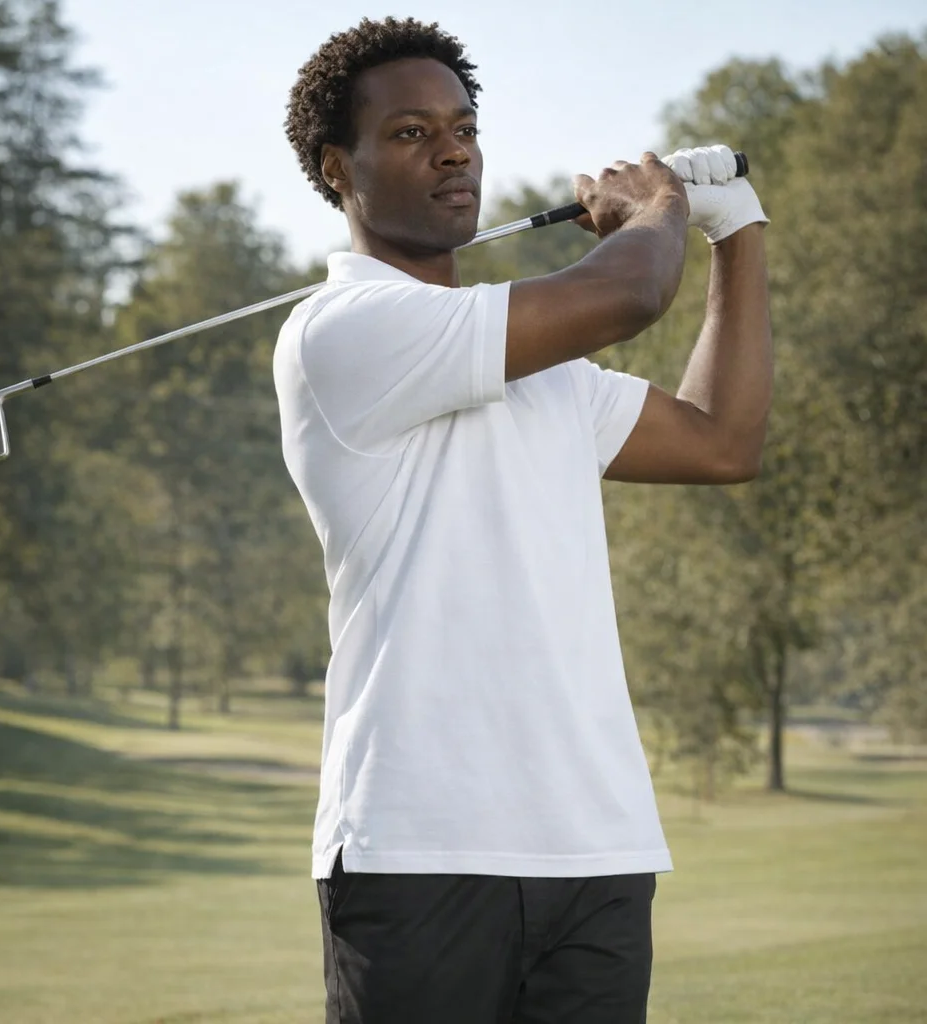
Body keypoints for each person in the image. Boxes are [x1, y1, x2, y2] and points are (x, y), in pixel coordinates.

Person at [274, 16, 770, 1024]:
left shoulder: (548, 373)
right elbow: (632, 289)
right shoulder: (342, 331)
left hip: (596, 846)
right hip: (419, 852)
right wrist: (657, 210)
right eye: (410, 133)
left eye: (461, 126)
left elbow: (722, 440)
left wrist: (737, 232)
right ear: (339, 167)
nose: (452, 149)